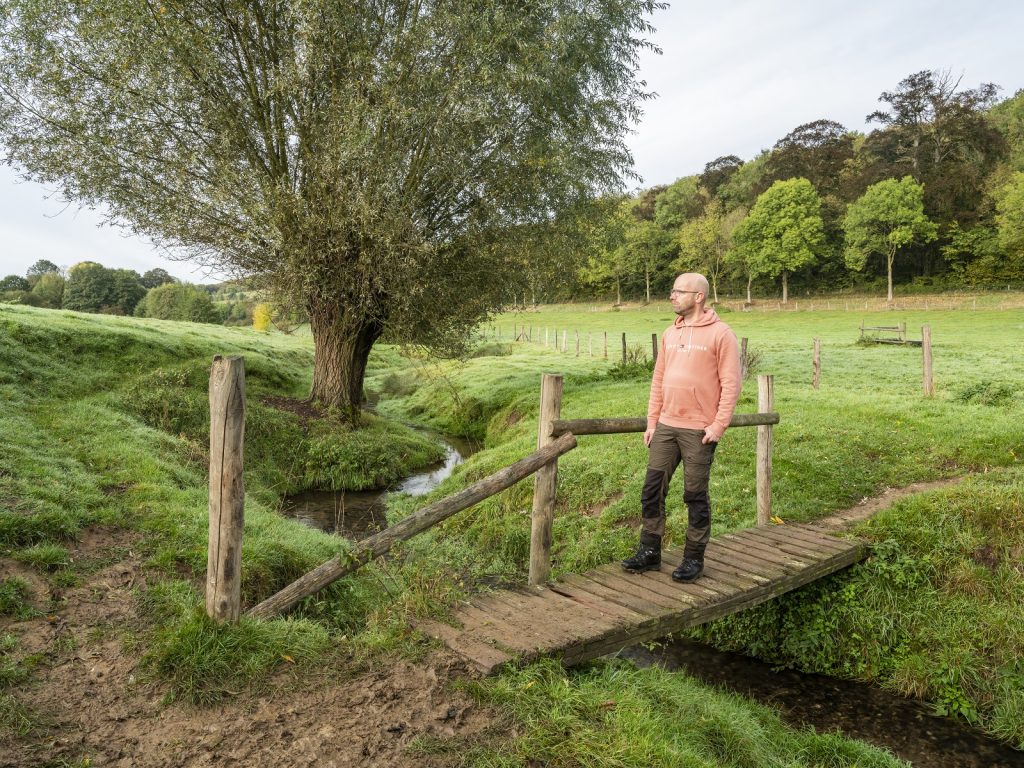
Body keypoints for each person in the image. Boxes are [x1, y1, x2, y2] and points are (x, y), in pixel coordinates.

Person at [621, 272, 741, 582]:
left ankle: (693, 558)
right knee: (651, 490)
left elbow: (731, 384)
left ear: (698, 297)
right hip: (666, 426)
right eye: (672, 291)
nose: (672, 296)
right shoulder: (669, 333)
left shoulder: (721, 334)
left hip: (699, 430)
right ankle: (650, 552)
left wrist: (718, 426)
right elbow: (658, 379)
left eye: (679, 291)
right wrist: (652, 421)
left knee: (695, 495)